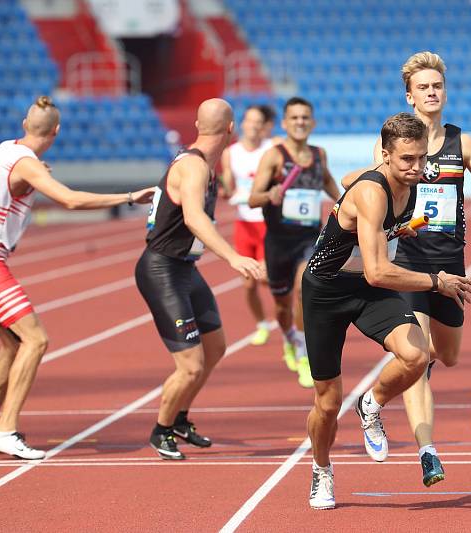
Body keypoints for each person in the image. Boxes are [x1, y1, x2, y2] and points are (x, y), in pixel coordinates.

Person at [341, 51, 471, 485]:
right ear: (409, 95)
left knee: (446, 356)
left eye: (437, 86)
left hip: (451, 266)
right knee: (416, 361)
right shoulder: (395, 142)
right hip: (409, 263)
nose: (432, 92)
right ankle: (427, 450)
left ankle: (406, 378)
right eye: (423, 87)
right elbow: (364, 181)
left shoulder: (462, 142)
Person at [0, 96, 154, 459]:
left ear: (24, 123)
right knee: (36, 341)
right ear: (56, 131)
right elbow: (69, 200)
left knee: (12, 344)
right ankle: (6, 431)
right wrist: (131, 196)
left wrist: (35, 177)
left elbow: (17, 181)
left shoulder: (4, 150)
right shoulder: (27, 165)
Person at [303, 112, 471, 509]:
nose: (416, 168)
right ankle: (321, 470)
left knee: (417, 355)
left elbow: (366, 229)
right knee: (327, 402)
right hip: (326, 291)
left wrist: (398, 230)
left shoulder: (410, 184)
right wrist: (437, 281)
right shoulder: (373, 190)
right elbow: (379, 271)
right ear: (385, 155)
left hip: (362, 286)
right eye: (405, 161)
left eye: (420, 159)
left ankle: (371, 402)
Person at [135, 98, 263, 460]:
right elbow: (193, 218)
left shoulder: (205, 165)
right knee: (190, 365)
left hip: (184, 269)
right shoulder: (192, 167)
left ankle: (179, 418)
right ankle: (161, 430)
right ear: (230, 129)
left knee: (215, 347)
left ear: (196, 123)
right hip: (162, 270)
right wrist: (234, 256)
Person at [249, 97, 340, 388]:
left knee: (304, 290)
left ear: (312, 123)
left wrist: (346, 204)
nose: (300, 122)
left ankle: (303, 352)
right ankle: (289, 338)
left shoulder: (319, 154)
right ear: (285, 124)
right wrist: (270, 195)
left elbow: (328, 184)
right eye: (294, 118)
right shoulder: (274, 156)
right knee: (281, 307)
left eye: (305, 118)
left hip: (309, 239)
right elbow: (253, 198)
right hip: (278, 242)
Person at [220, 106, 273, 345]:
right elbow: (228, 188)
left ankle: (291, 322)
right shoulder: (231, 153)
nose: (252, 125)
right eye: (249, 120)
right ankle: (262, 324)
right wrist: (226, 191)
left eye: (257, 122)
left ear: (263, 126)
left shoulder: (271, 149)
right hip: (244, 224)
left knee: (267, 278)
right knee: (249, 283)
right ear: (242, 124)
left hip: (267, 223)